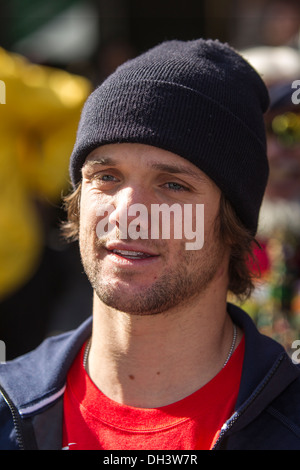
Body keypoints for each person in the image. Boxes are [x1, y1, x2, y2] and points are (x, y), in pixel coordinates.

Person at [1, 38, 300, 451]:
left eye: (173, 185)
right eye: (106, 176)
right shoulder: (10, 406)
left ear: (232, 221)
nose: (127, 213)